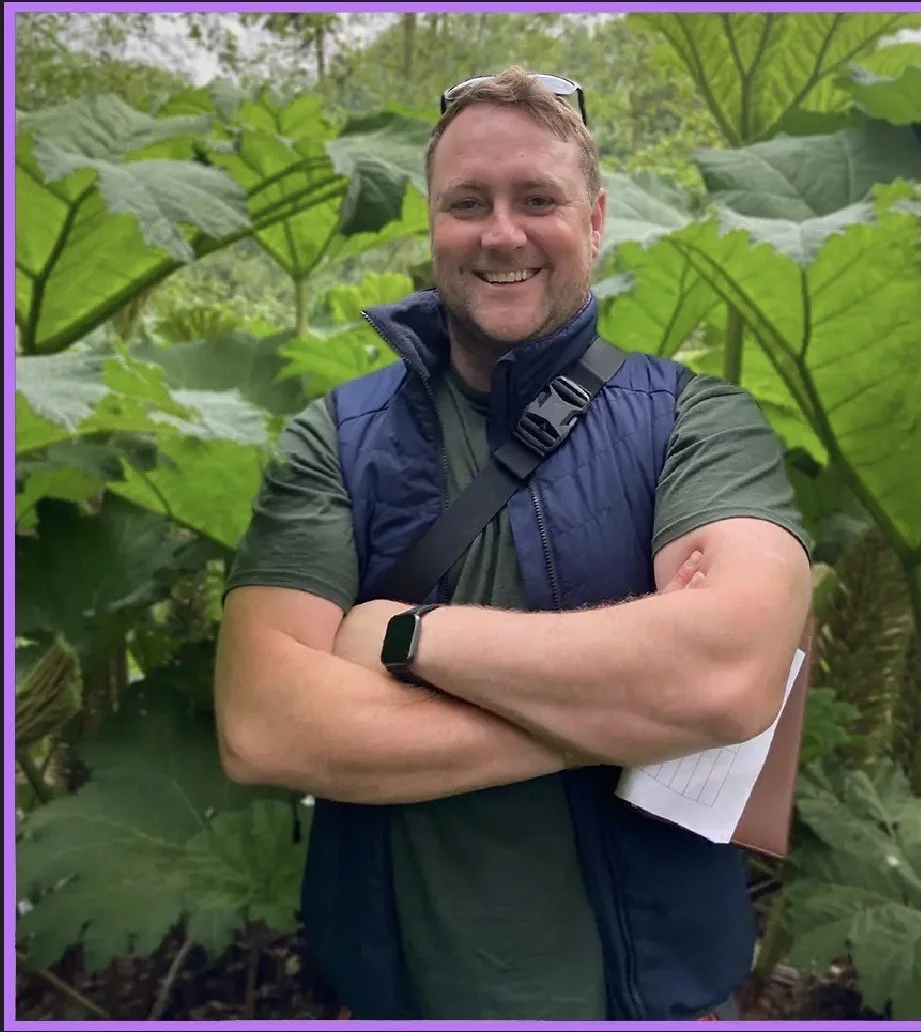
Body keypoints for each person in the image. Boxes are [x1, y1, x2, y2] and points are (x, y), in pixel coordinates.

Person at [214, 67, 813, 1022]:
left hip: (651, 999)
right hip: (400, 994)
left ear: (597, 217)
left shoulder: (700, 424)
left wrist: (408, 639)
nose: (501, 233)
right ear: (432, 224)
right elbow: (262, 726)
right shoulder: (335, 440)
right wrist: (620, 722)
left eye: (538, 198)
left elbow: (727, 680)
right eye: (467, 203)